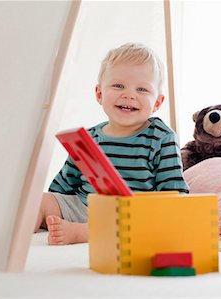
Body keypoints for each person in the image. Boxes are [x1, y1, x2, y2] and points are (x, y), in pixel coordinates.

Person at [35, 43, 189, 245]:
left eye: (142, 89)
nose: (129, 94)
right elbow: (64, 184)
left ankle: (83, 234)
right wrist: (50, 208)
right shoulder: (89, 138)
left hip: (132, 213)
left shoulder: (161, 137)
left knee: (148, 221)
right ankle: (16, 237)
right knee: (38, 200)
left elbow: (174, 191)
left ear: (157, 103)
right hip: (86, 206)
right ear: (99, 94)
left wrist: (159, 216)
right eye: (118, 86)